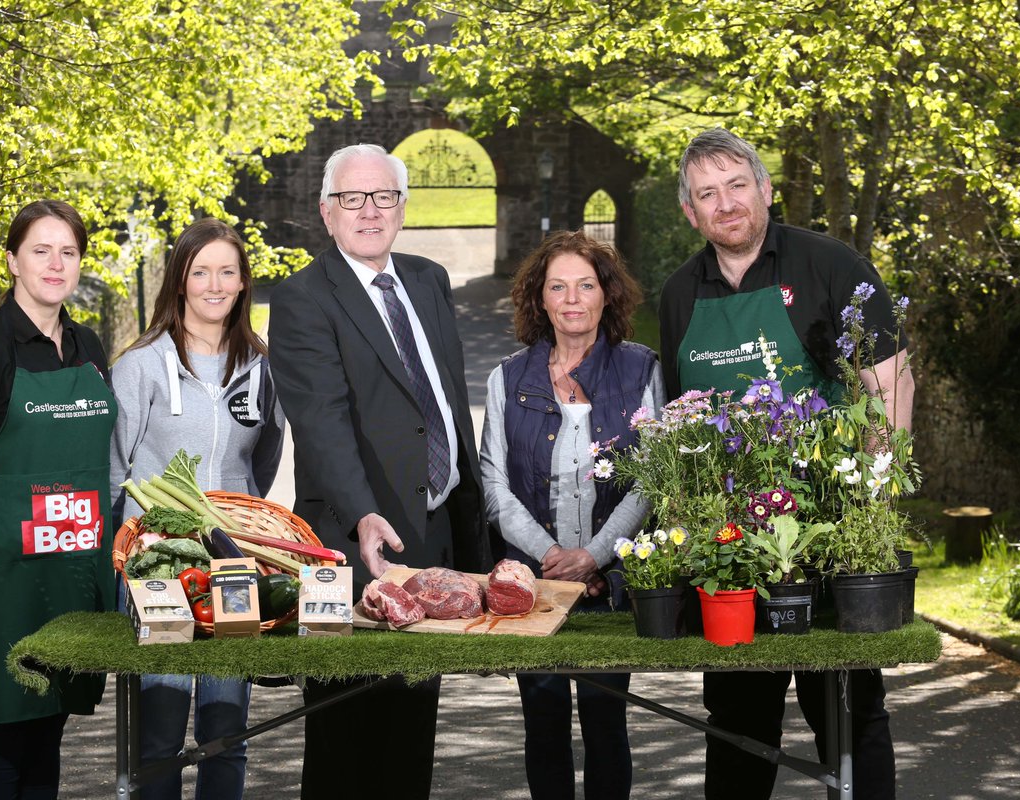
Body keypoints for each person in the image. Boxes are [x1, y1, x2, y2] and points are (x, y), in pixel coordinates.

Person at [659, 127, 914, 800]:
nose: (726, 203)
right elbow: (678, 417)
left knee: (849, 715)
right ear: (690, 213)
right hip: (732, 550)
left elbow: (889, 386)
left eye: (737, 185)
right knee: (739, 722)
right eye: (707, 194)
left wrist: (873, 508)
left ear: (766, 190)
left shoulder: (832, 265)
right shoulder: (681, 293)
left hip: (832, 539)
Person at [268, 143, 496, 800]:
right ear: (326, 212)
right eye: (353, 198)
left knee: (409, 733)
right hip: (352, 542)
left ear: (401, 205)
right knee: (345, 738)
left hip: (433, 536)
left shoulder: (427, 279)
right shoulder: (304, 297)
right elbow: (322, 421)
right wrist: (362, 510)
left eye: (384, 197)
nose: (369, 211)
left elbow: (445, 402)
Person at [0, 200, 117, 799]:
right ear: (12, 261)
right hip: (3, 576)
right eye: (40, 250)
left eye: (68, 252)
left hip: (73, 569)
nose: (55, 264)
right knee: (5, 728)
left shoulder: (89, 348)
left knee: (51, 722)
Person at [481, 230, 663, 800]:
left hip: (612, 586)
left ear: (607, 295)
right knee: (543, 724)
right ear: (539, 300)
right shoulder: (507, 378)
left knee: (608, 723)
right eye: (557, 287)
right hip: (533, 590)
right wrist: (550, 558)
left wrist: (594, 556)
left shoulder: (641, 371)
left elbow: (651, 479)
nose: (572, 299)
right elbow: (494, 482)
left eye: (586, 285)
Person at [109, 217, 283, 800]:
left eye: (227, 272)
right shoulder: (139, 365)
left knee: (227, 731)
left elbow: (264, 458)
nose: (214, 284)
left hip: (234, 565)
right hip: (160, 566)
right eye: (200, 270)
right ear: (179, 279)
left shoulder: (262, 368)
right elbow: (116, 471)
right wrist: (128, 560)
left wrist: (234, 520)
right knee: (159, 735)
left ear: (242, 283)